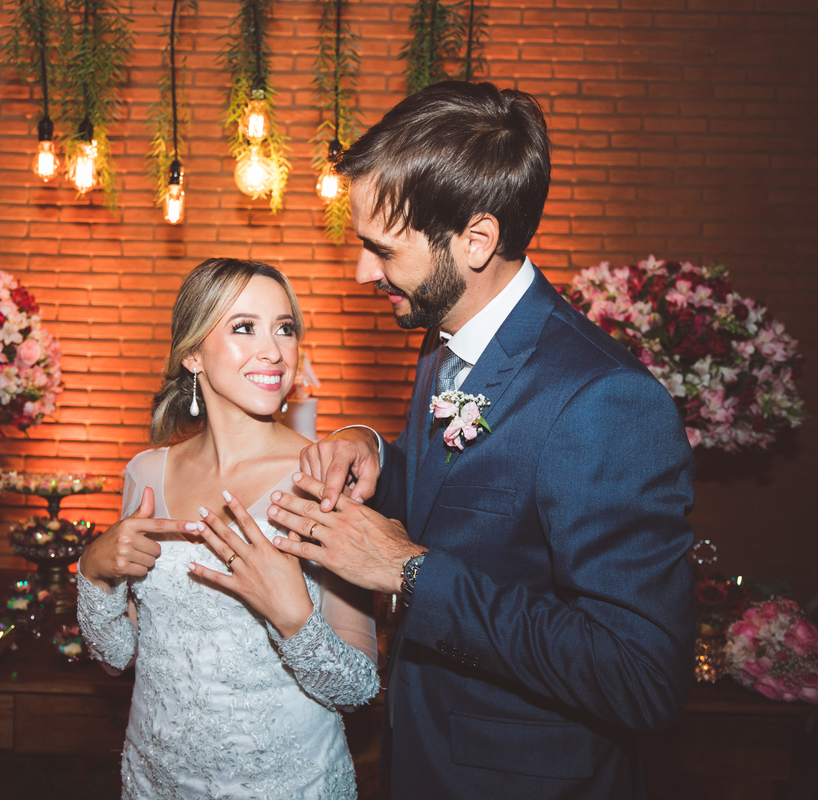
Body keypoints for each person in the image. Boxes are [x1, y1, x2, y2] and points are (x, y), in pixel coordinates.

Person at [265, 82, 696, 799]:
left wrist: (411, 573)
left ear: (476, 239)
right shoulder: (444, 335)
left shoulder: (606, 402)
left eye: (381, 249)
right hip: (424, 756)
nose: (362, 272)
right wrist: (377, 453)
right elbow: (481, 504)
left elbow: (641, 678)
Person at [76, 258, 380, 799]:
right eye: (245, 328)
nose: (274, 351)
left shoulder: (323, 479)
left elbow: (358, 688)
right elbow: (116, 656)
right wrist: (93, 571)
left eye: (284, 328)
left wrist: (293, 617)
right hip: (155, 781)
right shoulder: (147, 473)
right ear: (192, 352)